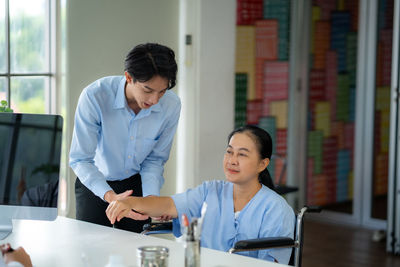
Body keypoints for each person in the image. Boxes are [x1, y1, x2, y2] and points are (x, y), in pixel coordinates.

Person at [106, 125, 295, 263]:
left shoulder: (276, 210)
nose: (232, 160)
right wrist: (128, 202)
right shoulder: (210, 191)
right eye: (229, 152)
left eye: (242, 154)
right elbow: (167, 205)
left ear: (263, 164)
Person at [69, 43, 180, 233]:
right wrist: (112, 197)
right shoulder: (95, 96)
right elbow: (80, 159)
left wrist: (151, 201)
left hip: (135, 185)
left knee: (134, 250)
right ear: (129, 77)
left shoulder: (171, 105)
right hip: (95, 183)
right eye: (148, 90)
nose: (154, 100)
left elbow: (154, 160)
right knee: (91, 250)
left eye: (161, 91)